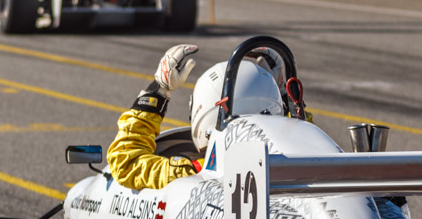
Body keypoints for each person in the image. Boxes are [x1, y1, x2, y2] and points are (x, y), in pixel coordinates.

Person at [105, 44, 304, 191]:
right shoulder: (300, 169)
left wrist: (159, 89)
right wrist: (284, 94)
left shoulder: (192, 174)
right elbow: (304, 137)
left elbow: (125, 163)